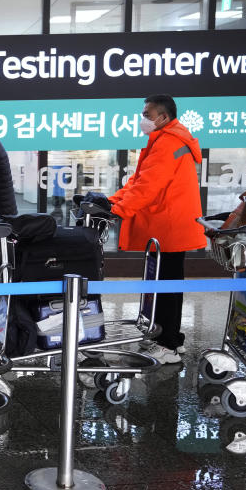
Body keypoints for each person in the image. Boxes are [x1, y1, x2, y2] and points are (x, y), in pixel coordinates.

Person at [106, 94, 206, 365]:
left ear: (163, 117)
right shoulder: (167, 139)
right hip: (171, 225)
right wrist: (113, 200)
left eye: (147, 115)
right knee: (169, 285)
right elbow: (139, 181)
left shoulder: (168, 143)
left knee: (166, 287)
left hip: (168, 227)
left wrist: (119, 209)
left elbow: (148, 187)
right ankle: (172, 338)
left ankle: (168, 346)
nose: (143, 120)